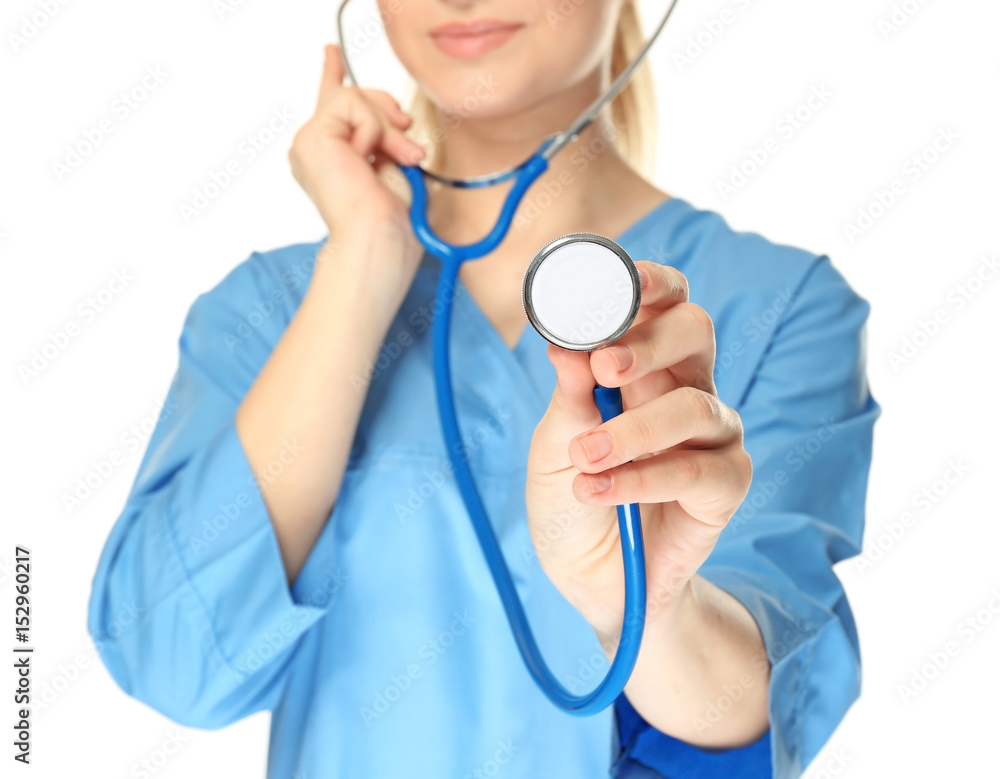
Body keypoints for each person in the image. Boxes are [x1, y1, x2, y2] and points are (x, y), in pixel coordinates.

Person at [87, 2, 880, 777]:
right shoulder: (272, 309)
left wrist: (644, 605)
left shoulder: (782, 305)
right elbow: (172, 657)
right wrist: (363, 262)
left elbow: (753, 728)